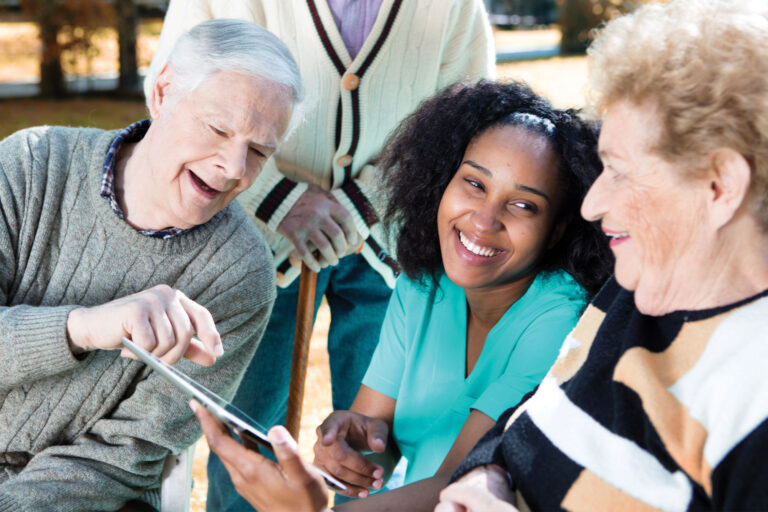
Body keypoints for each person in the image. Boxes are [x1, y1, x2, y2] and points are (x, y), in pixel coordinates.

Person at [192, 79, 614, 511]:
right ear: (442, 181)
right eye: (474, 184)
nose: (485, 219)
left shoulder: (562, 319)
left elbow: (461, 485)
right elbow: (378, 433)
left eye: (523, 205)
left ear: (559, 227)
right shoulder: (424, 285)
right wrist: (353, 447)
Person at [144, 2, 495, 510]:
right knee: (250, 451)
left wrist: (364, 203)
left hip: (391, 246)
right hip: (255, 242)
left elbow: (469, 114)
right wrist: (277, 198)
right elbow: (172, 87)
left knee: (376, 454)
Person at [436, 0, 768, 510]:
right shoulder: (634, 284)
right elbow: (534, 416)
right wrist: (485, 475)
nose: (592, 204)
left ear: (720, 186)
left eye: (619, 170)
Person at [0, 19, 302, 510]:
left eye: (259, 151)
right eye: (218, 128)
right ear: (162, 92)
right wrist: (85, 327)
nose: (233, 168)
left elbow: (122, 457)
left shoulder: (241, 275)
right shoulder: (31, 164)